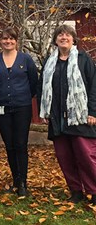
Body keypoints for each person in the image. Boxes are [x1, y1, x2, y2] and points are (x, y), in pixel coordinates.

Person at [39, 24, 96, 205]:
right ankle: (76, 191)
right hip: (57, 118)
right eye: (60, 35)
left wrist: (93, 112)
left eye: (68, 35)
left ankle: (94, 191)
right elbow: (42, 87)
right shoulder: (50, 61)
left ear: (73, 39)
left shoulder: (83, 59)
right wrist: (45, 110)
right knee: (65, 157)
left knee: (86, 156)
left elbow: (94, 86)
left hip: (80, 116)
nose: (64, 37)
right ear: (55, 40)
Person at [0, 27, 38, 197]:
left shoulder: (26, 59)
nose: (8, 41)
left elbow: (33, 83)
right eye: (5, 38)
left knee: (20, 144)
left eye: (11, 39)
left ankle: (23, 182)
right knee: (9, 145)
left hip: (22, 107)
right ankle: (15, 180)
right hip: (2, 108)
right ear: (0, 41)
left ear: (16, 41)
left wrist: (22, 96)